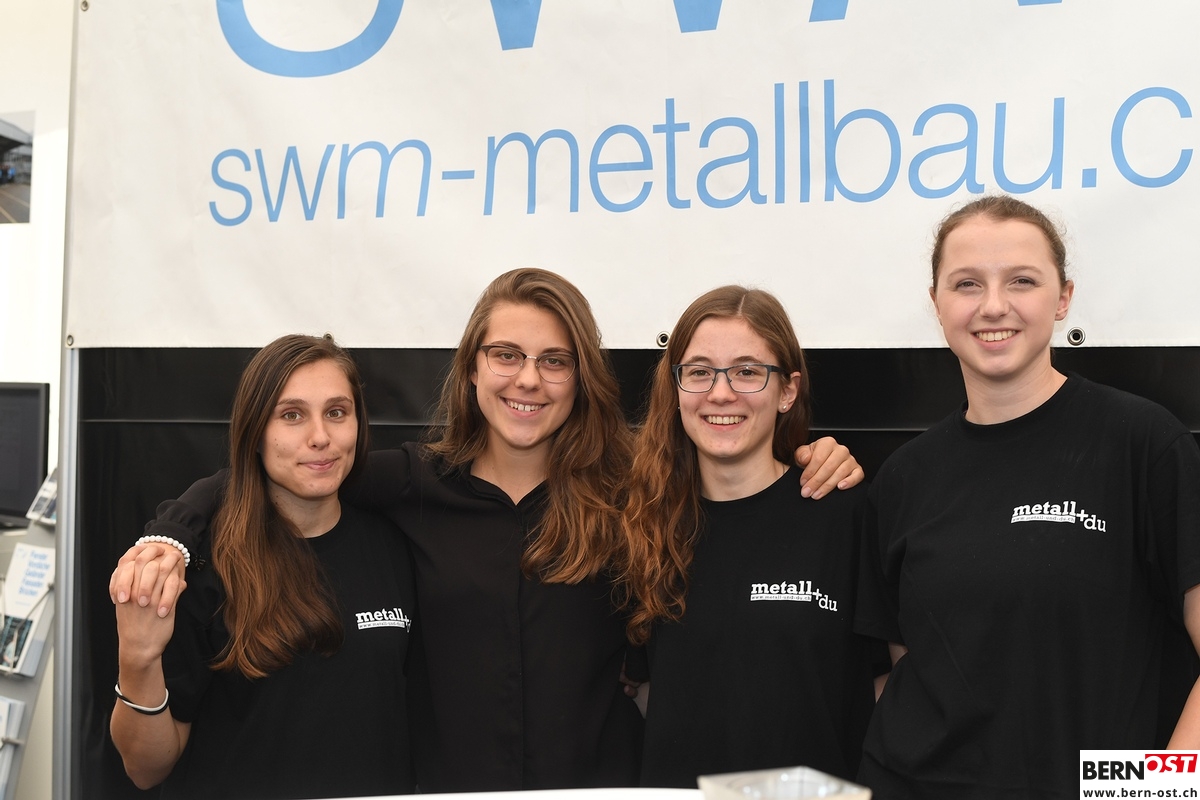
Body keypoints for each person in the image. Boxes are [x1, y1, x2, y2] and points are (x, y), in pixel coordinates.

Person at [112, 269, 865, 792]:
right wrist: (172, 533)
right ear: (471, 369)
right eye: (506, 355)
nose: (527, 379)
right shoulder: (410, 485)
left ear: (581, 377)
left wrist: (810, 455)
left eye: (554, 360)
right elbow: (274, 467)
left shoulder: (630, 491)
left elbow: (740, 480)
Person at [855, 196, 1200, 799]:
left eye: (1021, 280)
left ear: (1063, 298)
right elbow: (905, 667)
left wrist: (1158, 793)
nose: (993, 305)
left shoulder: (1141, 443)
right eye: (967, 283)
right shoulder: (904, 477)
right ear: (936, 303)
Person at [109, 334, 416, 799]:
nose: (320, 436)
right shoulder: (200, 566)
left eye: (337, 412)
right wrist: (137, 658)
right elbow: (145, 769)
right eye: (292, 415)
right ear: (255, 433)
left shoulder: (395, 547)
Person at [618, 286, 884, 787]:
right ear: (676, 388)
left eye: (746, 371)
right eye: (699, 372)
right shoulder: (642, 523)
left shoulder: (844, 512)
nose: (721, 393)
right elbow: (642, 690)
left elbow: (886, 684)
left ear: (787, 391)